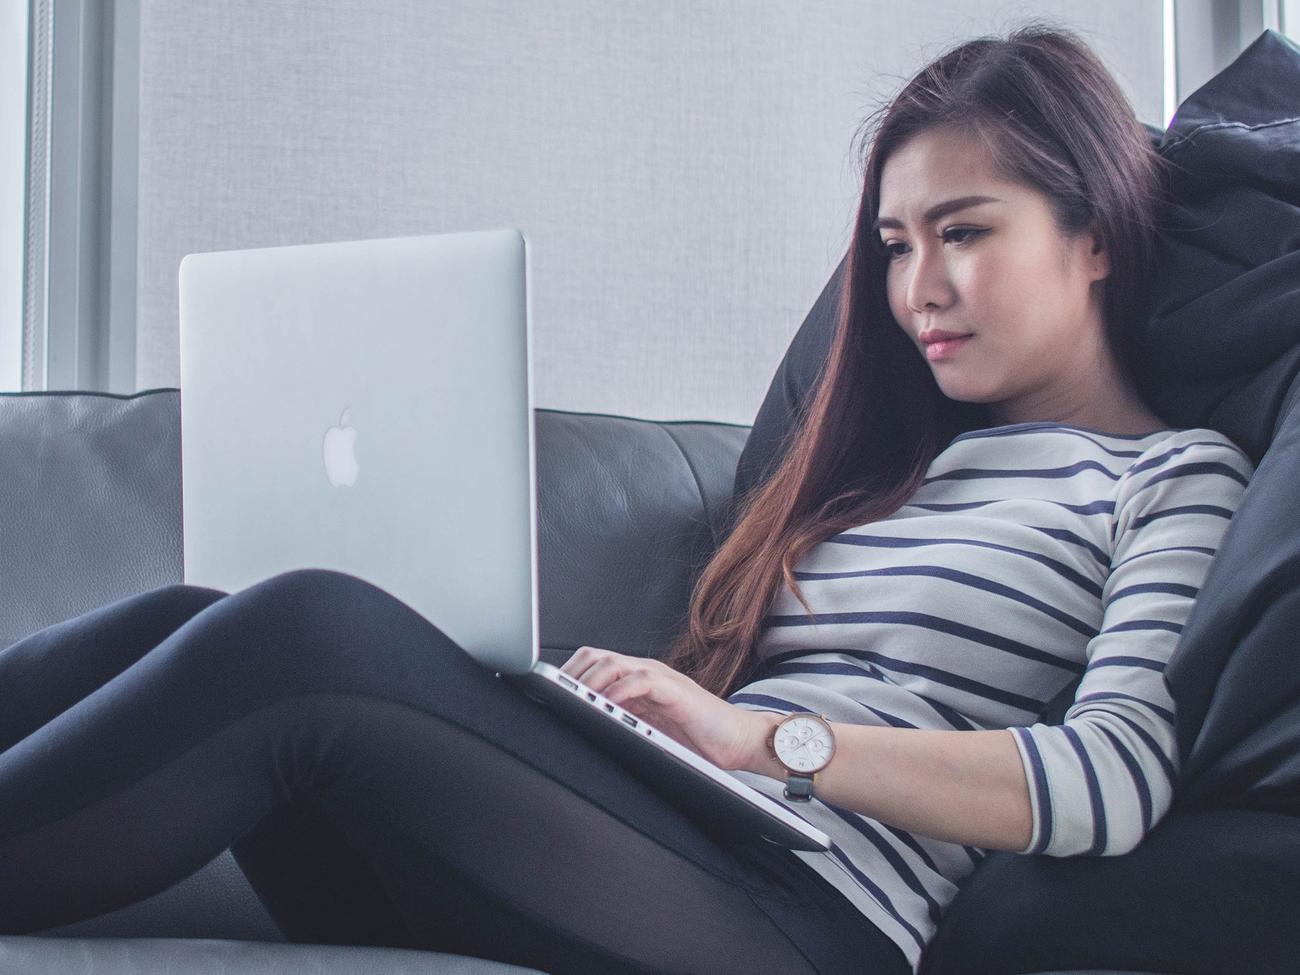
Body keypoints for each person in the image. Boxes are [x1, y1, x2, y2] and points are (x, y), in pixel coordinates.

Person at [0, 22, 1254, 975]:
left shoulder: (1170, 478)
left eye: (963, 231)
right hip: (658, 846)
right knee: (208, 606)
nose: (916, 284)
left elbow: (1110, 782)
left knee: (310, 635)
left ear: (1094, 234)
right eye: (892, 244)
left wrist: (764, 739)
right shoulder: (896, 472)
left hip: (811, 917)